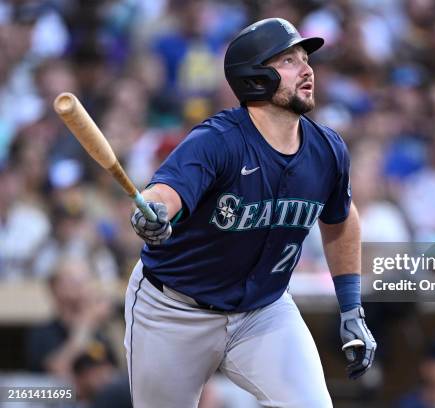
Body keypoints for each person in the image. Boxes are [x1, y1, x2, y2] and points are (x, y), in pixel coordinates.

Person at [126, 18, 376, 408]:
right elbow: (166, 191)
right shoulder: (217, 140)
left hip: (263, 311)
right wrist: (156, 211)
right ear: (255, 76)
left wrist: (350, 307)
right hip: (174, 310)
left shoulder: (328, 149)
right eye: (289, 60)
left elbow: (341, 220)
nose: (307, 69)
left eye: (306, 58)